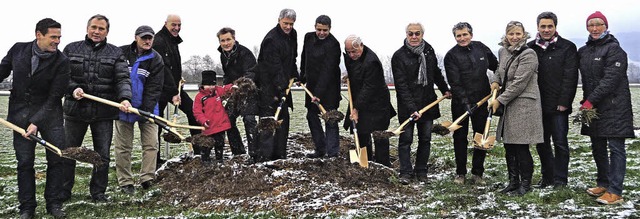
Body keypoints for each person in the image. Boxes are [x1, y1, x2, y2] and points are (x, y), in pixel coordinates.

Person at [0, 18, 69, 219]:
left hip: (51, 116)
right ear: (39, 34)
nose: (57, 41)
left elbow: (55, 96)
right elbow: (2, 71)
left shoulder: (62, 61)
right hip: (19, 115)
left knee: (56, 159)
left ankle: (54, 203)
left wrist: (37, 121)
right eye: (53, 37)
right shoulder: (18, 50)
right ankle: (27, 207)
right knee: (24, 162)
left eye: (59, 37)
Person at [61, 14, 132, 203]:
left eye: (101, 29)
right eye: (94, 27)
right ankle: (63, 191)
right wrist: (72, 88)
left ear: (107, 31)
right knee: (68, 152)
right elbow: (62, 75)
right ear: (87, 28)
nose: (97, 31)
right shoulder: (71, 49)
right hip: (75, 110)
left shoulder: (116, 53)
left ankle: (98, 192)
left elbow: (122, 79)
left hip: (103, 113)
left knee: (102, 155)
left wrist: (125, 98)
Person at [579, 11, 634, 205]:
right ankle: (603, 183)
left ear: (606, 26)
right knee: (598, 146)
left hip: (615, 106)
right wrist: (587, 102)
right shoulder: (584, 51)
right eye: (591, 25)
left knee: (616, 148)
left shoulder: (614, 50)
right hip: (594, 108)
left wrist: (589, 101)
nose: (594, 28)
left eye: (599, 24)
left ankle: (615, 190)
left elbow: (610, 80)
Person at [392, 23, 451, 184]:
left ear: (422, 34)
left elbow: (435, 72)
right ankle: (405, 172)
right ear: (406, 34)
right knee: (406, 140)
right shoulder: (399, 56)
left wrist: (445, 88)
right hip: (407, 106)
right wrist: (412, 108)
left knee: (425, 139)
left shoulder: (429, 51)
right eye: (410, 34)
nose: (414, 37)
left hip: (428, 103)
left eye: (417, 33)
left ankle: (421, 171)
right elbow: (401, 86)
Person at [488, 21, 543, 196]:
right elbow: (500, 69)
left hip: (524, 105)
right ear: (506, 35)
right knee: (509, 145)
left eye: (518, 34)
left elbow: (520, 82)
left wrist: (499, 100)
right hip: (509, 104)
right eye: (511, 34)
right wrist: (495, 80)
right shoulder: (503, 51)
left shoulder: (529, 54)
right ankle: (513, 182)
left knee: (521, 146)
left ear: (524, 35)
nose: (514, 37)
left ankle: (525, 184)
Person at [527, 12, 579, 189]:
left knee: (560, 143)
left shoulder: (567, 47)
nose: (546, 29)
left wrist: (564, 101)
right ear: (538, 27)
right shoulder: (530, 48)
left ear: (555, 27)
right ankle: (547, 177)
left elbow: (570, 76)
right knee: (542, 143)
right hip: (537, 104)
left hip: (558, 105)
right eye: (543, 26)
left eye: (550, 26)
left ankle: (560, 180)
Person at [444, 22, 497, 185]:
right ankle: (460, 173)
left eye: (464, 34)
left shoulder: (481, 48)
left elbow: (496, 66)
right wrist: (466, 103)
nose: (462, 38)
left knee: (480, 136)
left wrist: (498, 82)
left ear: (471, 35)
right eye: (458, 36)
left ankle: (477, 173)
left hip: (481, 100)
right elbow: (455, 82)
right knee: (460, 137)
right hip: (461, 103)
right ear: (455, 37)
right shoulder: (451, 56)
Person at [114, 25, 164, 195]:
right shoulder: (121, 53)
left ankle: (147, 178)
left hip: (147, 108)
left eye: (150, 38)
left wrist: (144, 110)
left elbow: (155, 87)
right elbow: (116, 78)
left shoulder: (156, 59)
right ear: (136, 38)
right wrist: (122, 99)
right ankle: (125, 181)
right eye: (144, 38)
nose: (147, 41)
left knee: (151, 144)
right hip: (123, 106)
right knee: (123, 146)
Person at [343, 35, 396, 167]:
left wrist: (356, 109)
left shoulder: (371, 62)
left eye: (354, 51)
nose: (351, 55)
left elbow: (369, 87)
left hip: (377, 103)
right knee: (361, 133)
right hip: (361, 100)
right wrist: (350, 76)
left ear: (361, 45)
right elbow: (358, 72)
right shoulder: (352, 57)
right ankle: (366, 163)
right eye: (348, 52)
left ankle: (383, 166)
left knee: (379, 136)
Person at [153, 14, 200, 164]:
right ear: (165, 23)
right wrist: (173, 91)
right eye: (174, 24)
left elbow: (173, 67)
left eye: (179, 25)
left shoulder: (172, 41)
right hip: (160, 89)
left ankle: (198, 150)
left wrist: (178, 79)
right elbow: (163, 68)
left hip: (174, 86)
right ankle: (155, 159)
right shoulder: (159, 41)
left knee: (194, 112)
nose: (177, 28)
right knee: (158, 122)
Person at [253, 8, 299, 161]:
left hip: (283, 83)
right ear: (279, 20)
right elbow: (274, 67)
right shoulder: (271, 40)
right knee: (268, 121)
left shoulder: (293, 35)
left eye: (291, 24)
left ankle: (280, 154)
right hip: (268, 85)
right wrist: (280, 89)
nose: (288, 27)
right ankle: (265, 157)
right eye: (286, 23)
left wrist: (295, 74)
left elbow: (292, 58)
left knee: (283, 119)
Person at [300, 15, 342, 158]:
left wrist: (318, 93)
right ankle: (320, 148)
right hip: (311, 85)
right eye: (319, 29)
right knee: (311, 115)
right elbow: (304, 57)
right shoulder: (308, 38)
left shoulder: (334, 45)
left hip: (329, 88)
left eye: (325, 30)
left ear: (330, 29)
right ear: (315, 27)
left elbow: (328, 71)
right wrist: (302, 76)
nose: (322, 33)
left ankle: (332, 153)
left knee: (330, 118)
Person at [216, 27, 258, 157]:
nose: (226, 43)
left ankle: (254, 153)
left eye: (228, 39)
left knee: (249, 119)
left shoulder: (245, 53)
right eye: (222, 40)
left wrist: (238, 85)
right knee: (227, 119)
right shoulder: (223, 55)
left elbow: (251, 73)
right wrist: (225, 89)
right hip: (234, 92)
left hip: (249, 90)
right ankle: (238, 152)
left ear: (234, 39)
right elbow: (227, 75)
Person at [193, 70, 235, 163]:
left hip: (220, 124)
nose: (211, 87)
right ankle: (205, 160)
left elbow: (225, 89)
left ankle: (219, 160)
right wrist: (203, 121)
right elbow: (197, 112)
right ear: (203, 85)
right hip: (208, 126)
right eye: (208, 85)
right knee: (206, 145)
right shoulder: (199, 97)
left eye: (212, 85)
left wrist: (232, 87)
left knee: (220, 144)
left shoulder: (217, 91)